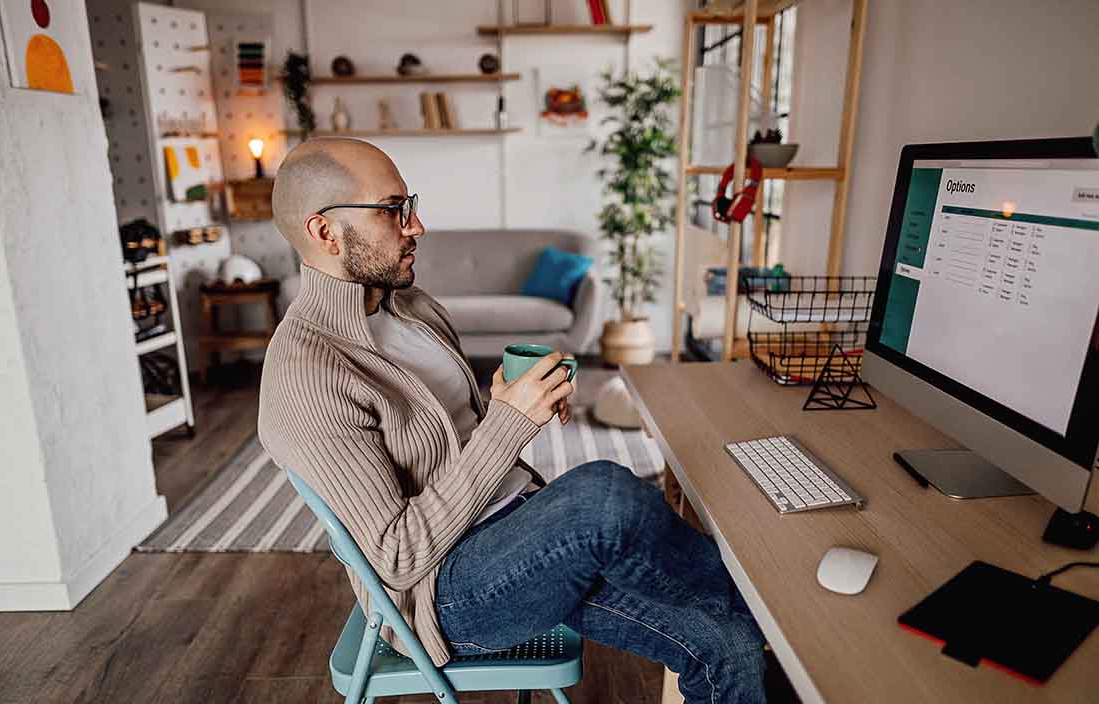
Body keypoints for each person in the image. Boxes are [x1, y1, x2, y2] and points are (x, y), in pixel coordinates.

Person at [258, 138, 767, 703]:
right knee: (603, 495)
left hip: (521, 536)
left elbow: (450, 439)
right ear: (325, 232)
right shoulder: (306, 371)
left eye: (411, 205)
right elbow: (396, 557)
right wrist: (506, 424)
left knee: (727, 644)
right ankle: (779, 606)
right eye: (393, 209)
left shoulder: (412, 308)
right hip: (447, 592)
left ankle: (760, 620)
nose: (417, 226)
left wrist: (508, 401)